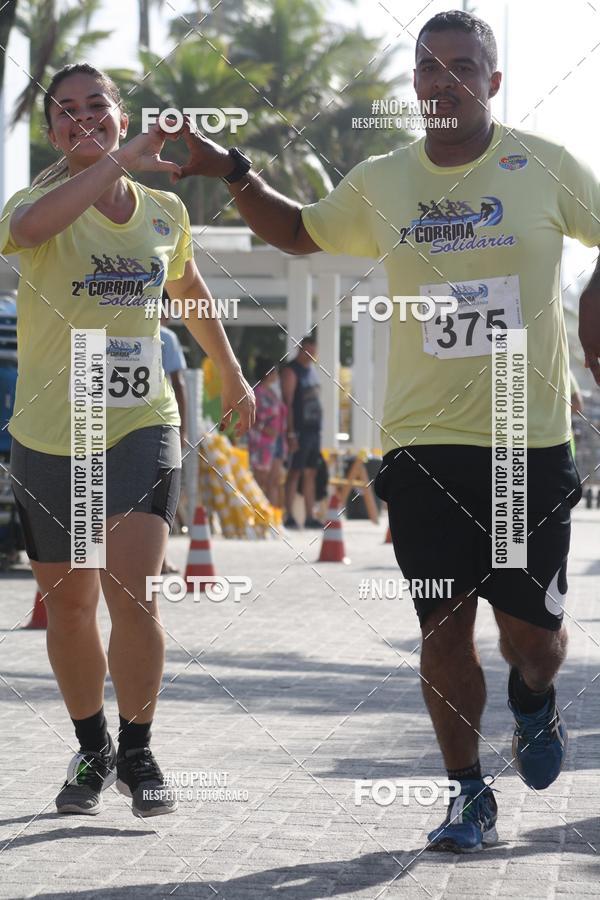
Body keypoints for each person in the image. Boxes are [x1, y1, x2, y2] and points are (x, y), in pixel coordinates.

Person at [168, 8, 600, 851]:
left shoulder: (543, 168)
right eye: (429, 67)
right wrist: (230, 167)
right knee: (442, 624)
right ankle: (467, 793)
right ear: (414, 85)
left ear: (494, 80)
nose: (446, 80)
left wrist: (591, 306)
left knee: (531, 642)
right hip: (421, 443)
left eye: (464, 66)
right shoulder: (381, 179)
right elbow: (299, 230)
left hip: (527, 437)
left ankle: (536, 698)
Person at [2, 63, 254, 819]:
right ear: (51, 131)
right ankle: (92, 749)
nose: (84, 119)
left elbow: (189, 292)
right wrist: (120, 157)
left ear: (120, 111)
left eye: (97, 106)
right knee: (71, 608)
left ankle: (139, 751)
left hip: (141, 424)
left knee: (131, 593)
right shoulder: (34, 202)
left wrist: (232, 369)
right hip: (50, 435)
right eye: (67, 112)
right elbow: (25, 234)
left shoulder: (164, 210)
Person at [280, 336, 323, 529]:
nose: (312, 353)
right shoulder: (291, 370)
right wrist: (290, 433)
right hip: (298, 431)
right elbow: (287, 403)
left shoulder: (312, 371)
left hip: (314, 430)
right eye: (309, 350)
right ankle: (288, 515)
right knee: (294, 471)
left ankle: (309, 515)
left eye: (314, 350)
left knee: (311, 473)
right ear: (301, 349)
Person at [160, 307, 188, 573]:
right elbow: (179, 384)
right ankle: (161, 559)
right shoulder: (166, 337)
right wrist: (183, 429)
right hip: (157, 426)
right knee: (159, 498)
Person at [248, 356, 287, 508]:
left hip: (277, 441)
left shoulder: (272, 392)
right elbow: (252, 417)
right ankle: (259, 516)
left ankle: (272, 518)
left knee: (275, 481)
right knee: (261, 481)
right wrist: (264, 428)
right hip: (262, 443)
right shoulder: (256, 392)